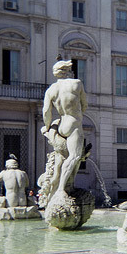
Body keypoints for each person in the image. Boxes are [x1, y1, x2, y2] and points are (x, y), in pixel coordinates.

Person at [42, 57, 88, 198]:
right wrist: (79, 114)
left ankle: (60, 185)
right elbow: (84, 104)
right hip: (73, 123)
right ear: (68, 71)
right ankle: (62, 188)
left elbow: (46, 112)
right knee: (75, 156)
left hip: (61, 124)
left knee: (64, 156)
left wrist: (47, 127)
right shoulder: (77, 83)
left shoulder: (51, 90)